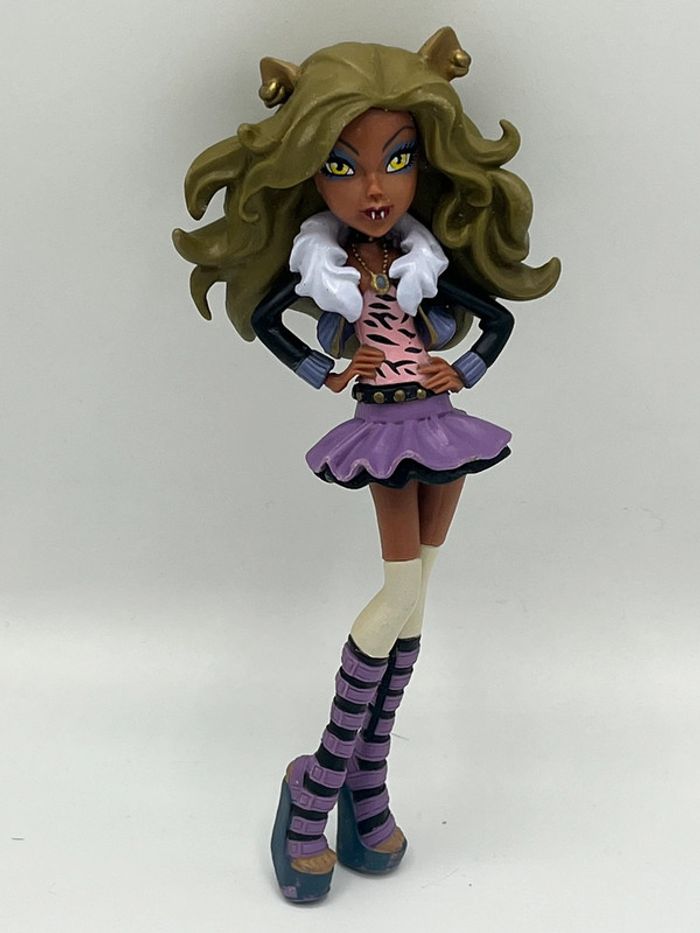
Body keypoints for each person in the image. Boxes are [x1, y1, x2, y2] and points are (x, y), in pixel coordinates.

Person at [173, 27, 560, 903]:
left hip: (444, 426)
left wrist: (461, 367)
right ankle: (315, 780)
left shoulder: (426, 263)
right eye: (343, 166)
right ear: (311, 173)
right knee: (397, 595)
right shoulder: (326, 268)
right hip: (383, 433)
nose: (375, 187)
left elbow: (497, 320)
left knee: (416, 603)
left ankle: (366, 782)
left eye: (398, 160)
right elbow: (268, 320)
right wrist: (325, 368)